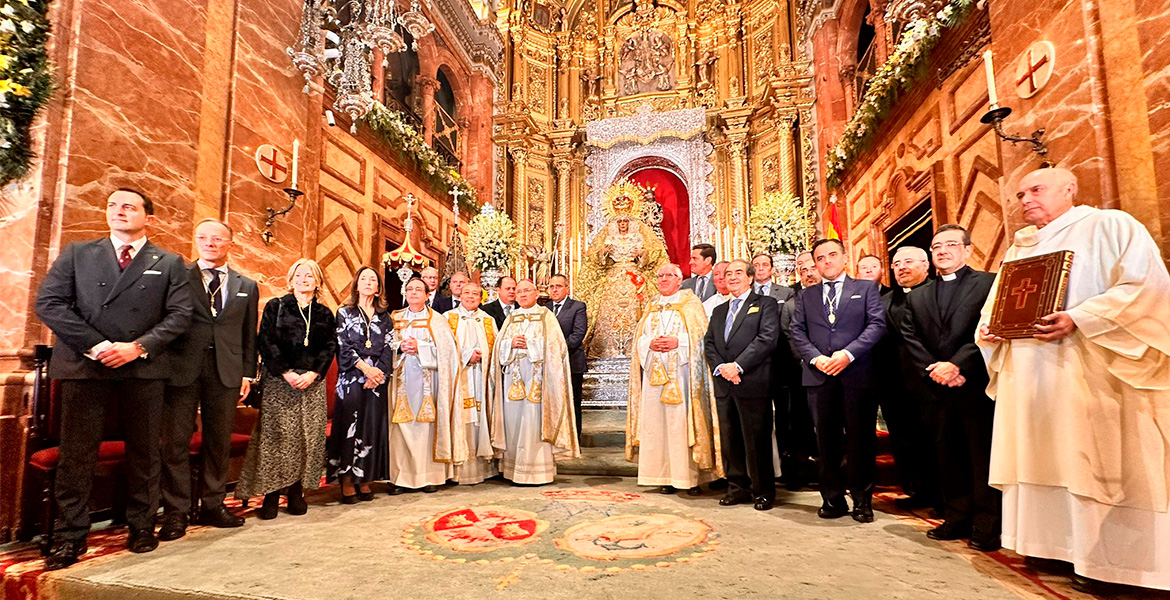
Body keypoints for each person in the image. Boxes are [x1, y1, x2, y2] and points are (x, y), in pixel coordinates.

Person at [977, 167, 1170, 592]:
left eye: (1036, 189)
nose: (1026, 199)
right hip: (1030, 377)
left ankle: (1110, 565)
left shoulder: (1109, 226)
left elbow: (1147, 288)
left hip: (1089, 369)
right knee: (1041, 455)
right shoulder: (1019, 249)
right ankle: (1050, 546)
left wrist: (1079, 317)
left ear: (1069, 189)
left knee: (1092, 460)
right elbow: (995, 309)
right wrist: (990, 330)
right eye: (1020, 194)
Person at [35, 188, 193, 569]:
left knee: (145, 451)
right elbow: (49, 303)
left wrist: (137, 347)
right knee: (77, 454)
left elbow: (180, 315)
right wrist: (98, 345)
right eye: (112, 206)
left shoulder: (170, 262)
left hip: (143, 366)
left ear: (148, 218)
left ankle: (141, 526)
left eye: (129, 207)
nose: (119, 211)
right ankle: (70, 535)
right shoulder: (78, 253)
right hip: (86, 364)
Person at [899, 225, 999, 551]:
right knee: (948, 455)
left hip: (975, 384)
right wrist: (936, 369)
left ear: (967, 249)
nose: (942, 251)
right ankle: (956, 517)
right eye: (936, 246)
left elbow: (987, 329)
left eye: (951, 244)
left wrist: (958, 365)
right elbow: (910, 337)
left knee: (982, 456)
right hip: (937, 388)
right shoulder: (918, 295)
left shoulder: (988, 283)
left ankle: (987, 525)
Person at [158, 218, 255, 542]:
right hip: (182, 369)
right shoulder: (177, 278)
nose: (210, 243)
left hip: (225, 371)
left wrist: (247, 373)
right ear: (196, 241)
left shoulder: (246, 285)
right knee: (175, 442)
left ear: (230, 243)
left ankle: (213, 504)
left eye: (217, 239)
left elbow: (248, 334)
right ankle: (176, 511)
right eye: (203, 238)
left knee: (218, 441)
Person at [791, 238, 886, 523]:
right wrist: (815, 358)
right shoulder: (806, 296)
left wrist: (848, 354)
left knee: (860, 440)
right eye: (820, 258)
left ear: (845, 258)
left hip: (856, 375)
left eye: (832, 255)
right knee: (826, 442)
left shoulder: (865, 289)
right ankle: (832, 499)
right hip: (819, 376)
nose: (827, 261)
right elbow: (797, 331)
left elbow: (876, 325)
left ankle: (862, 500)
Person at [236, 259, 336, 519]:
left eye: (309, 275)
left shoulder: (324, 313)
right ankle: (271, 494)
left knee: (306, 439)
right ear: (291, 280)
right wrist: (286, 372)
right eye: (299, 275)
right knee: (277, 438)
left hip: (312, 385)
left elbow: (329, 347)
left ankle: (295, 491)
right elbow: (266, 341)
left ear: (318, 281)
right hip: (280, 382)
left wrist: (313, 373)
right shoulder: (276, 306)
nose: (304, 279)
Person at [628, 264, 721, 495]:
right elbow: (639, 338)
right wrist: (649, 343)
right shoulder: (651, 305)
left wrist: (678, 342)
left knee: (682, 425)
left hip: (683, 376)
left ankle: (690, 479)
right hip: (654, 377)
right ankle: (663, 477)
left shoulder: (691, 304)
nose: (663, 279)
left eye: (669, 275)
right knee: (657, 426)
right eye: (660, 276)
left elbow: (702, 337)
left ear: (680, 280)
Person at [704, 259, 780, 511]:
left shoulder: (765, 304)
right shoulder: (718, 311)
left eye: (738, 272)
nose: (733, 277)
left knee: (756, 441)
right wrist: (722, 368)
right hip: (725, 384)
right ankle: (737, 488)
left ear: (750, 277)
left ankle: (762, 491)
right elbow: (709, 343)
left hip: (753, 381)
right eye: (728, 273)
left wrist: (737, 366)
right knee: (730, 440)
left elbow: (766, 338)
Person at [490, 280, 580, 484]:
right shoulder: (511, 317)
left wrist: (530, 345)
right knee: (513, 422)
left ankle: (538, 473)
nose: (522, 295)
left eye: (527, 291)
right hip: (513, 379)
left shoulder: (546, 316)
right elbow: (498, 347)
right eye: (519, 291)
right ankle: (514, 470)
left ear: (537, 293)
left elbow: (557, 347)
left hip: (538, 379)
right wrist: (510, 344)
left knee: (534, 422)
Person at [877, 247, 940, 511]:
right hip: (895, 384)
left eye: (909, 261)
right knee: (904, 440)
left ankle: (943, 496)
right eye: (897, 263)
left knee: (936, 441)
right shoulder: (884, 301)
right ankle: (916, 489)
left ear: (926, 265)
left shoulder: (938, 293)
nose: (902, 267)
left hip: (932, 382)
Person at [387, 277, 462, 493]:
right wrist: (399, 347)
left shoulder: (437, 320)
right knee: (399, 428)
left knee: (426, 428)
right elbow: (383, 346)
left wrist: (420, 347)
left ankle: (430, 476)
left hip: (429, 382)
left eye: (418, 289)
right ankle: (400, 478)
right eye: (409, 289)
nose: (413, 292)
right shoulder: (394, 318)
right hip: (400, 382)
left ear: (428, 295)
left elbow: (448, 353)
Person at [328, 266, 392, 503]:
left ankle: (365, 478)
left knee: (371, 428)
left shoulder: (385, 316)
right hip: (352, 377)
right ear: (356, 285)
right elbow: (342, 345)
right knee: (350, 427)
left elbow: (389, 347)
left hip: (376, 380)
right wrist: (365, 370)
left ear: (378, 288)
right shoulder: (344, 312)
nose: (368, 282)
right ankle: (346, 480)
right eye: (363, 278)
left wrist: (378, 373)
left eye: (372, 279)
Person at [447, 281, 498, 484]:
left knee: (481, 419)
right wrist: (468, 356)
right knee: (462, 420)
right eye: (466, 293)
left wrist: (481, 355)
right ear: (460, 296)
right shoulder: (448, 318)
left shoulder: (487, 320)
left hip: (482, 380)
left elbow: (496, 351)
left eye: (475, 294)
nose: (470, 297)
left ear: (481, 298)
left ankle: (483, 470)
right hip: (459, 380)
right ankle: (459, 471)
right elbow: (444, 350)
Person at [777, 251, 820, 491]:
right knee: (800, 424)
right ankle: (802, 471)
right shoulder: (791, 304)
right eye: (803, 270)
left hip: (835, 370)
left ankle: (835, 472)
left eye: (812, 268)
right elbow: (789, 335)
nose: (809, 273)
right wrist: (807, 360)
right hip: (801, 373)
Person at [547, 274, 588, 441]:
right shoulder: (545, 308)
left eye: (558, 286)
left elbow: (578, 334)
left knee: (573, 402)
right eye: (551, 286)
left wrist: (556, 350)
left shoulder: (577, 307)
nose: (554, 290)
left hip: (571, 362)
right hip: (550, 364)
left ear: (567, 288)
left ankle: (574, 438)